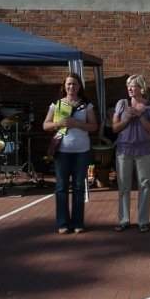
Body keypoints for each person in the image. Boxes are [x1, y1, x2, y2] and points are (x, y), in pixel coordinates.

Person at [43, 73, 98, 234]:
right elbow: (45, 125)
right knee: (61, 187)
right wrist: (58, 123)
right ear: (64, 86)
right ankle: (63, 223)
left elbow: (94, 126)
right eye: (68, 84)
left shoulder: (86, 105)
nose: (71, 87)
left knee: (79, 186)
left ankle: (78, 222)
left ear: (79, 87)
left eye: (74, 84)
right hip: (62, 151)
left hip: (81, 151)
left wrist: (78, 124)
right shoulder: (57, 104)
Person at [112, 74, 150, 233]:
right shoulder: (122, 104)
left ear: (141, 88)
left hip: (144, 151)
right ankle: (123, 220)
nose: (130, 89)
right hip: (123, 150)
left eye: (133, 86)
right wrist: (126, 119)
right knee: (123, 186)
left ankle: (143, 221)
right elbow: (114, 128)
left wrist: (140, 116)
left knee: (144, 185)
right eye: (128, 86)